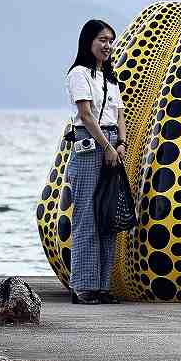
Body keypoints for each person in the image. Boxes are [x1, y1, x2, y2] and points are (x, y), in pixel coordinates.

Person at [65, 19, 127, 305]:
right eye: (102, 39)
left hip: (113, 144)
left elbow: (120, 114)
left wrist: (121, 144)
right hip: (90, 146)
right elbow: (87, 115)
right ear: (88, 42)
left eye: (110, 40)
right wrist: (107, 147)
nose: (107, 45)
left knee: (107, 217)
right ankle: (83, 287)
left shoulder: (111, 78)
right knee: (86, 216)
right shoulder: (79, 74)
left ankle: (101, 286)